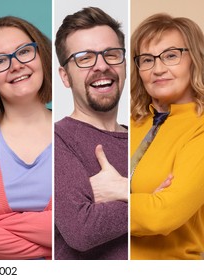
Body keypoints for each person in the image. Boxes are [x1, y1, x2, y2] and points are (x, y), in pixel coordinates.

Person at [54, 7, 129, 260]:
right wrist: (156, 200)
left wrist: (125, 190)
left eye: (112, 54)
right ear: (65, 76)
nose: (101, 66)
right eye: (85, 58)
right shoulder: (55, 140)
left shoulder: (148, 136)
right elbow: (81, 230)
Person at [130, 13, 204, 260]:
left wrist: (112, 195)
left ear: (195, 59)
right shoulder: (129, 123)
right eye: (147, 60)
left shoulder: (200, 128)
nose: (158, 69)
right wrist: (143, 201)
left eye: (171, 56)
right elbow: (74, 202)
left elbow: (161, 216)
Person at [0, 16, 52, 260]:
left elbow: (79, 226)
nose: (16, 65)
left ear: (41, 57)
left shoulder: (73, 131)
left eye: (24, 52)